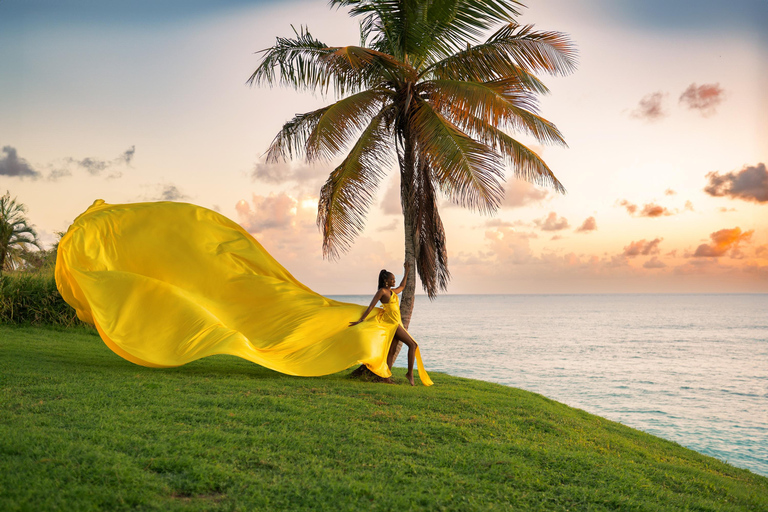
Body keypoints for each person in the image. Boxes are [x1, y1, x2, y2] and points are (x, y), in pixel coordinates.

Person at [349, 262, 420, 386]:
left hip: (397, 323)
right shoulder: (382, 291)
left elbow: (402, 286)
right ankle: (410, 374)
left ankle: (386, 378)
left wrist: (407, 271)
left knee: (391, 351)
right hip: (392, 324)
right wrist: (362, 319)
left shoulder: (392, 292)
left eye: (394, 279)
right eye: (392, 279)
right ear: (385, 280)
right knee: (413, 345)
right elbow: (371, 305)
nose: (394, 281)